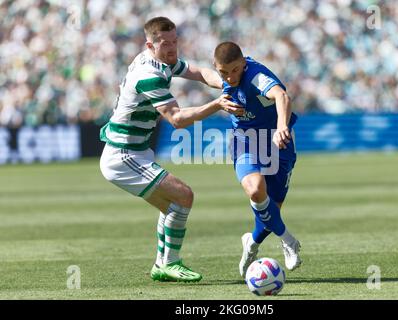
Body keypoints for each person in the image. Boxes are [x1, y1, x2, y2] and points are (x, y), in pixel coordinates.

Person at [99, 17, 243, 283]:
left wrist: (227, 82)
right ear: (150, 45)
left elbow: (198, 72)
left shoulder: (160, 61)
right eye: (165, 44)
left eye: (175, 41)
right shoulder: (149, 75)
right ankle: (170, 263)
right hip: (123, 155)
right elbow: (176, 119)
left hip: (136, 151)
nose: (172, 48)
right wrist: (217, 104)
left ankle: (162, 265)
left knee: (174, 206)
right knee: (184, 195)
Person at [213, 42, 302, 277]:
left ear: (243, 64)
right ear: (217, 68)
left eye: (234, 70)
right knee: (255, 190)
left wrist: (282, 125)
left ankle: (251, 243)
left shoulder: (255, 77)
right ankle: (288, 240)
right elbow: (201, 74)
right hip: (245, 139)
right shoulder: (222, 76)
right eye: (224, 72)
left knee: (272, 208)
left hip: (277, 139)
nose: (230, 77)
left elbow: (282, 96)